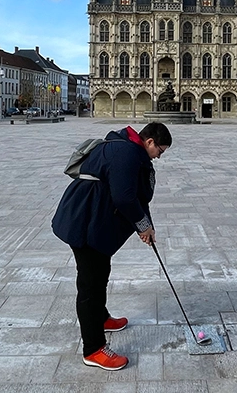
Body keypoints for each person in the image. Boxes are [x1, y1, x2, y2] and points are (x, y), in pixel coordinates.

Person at [51, 122, 172, 371]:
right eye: (160, 151)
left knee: (100, 271)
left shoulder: (130, 150)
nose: (159, 157)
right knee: (90, 284)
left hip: (94, 220)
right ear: (150, 142)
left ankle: (102, 317)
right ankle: (93, 349)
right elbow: (125, 197)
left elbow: (135, 195)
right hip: (85, 221)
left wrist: (146, 226)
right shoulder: (126, 153)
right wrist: (142, 225)